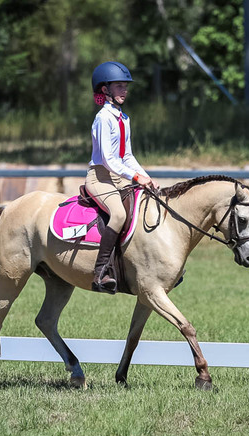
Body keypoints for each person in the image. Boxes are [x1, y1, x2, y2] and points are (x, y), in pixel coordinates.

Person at [86, 61, 158, 293]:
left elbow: (127, 155)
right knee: (118, 215)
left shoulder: (123, 118)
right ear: (105, 89)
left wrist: (146, 177)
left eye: (125, 86)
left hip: (120, 177)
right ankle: (101, 271)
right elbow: (108, 159)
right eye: (119, 86)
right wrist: (136, 177)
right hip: (100, 178)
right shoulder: (103, 118)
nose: (124, 90)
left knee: (149, 206)